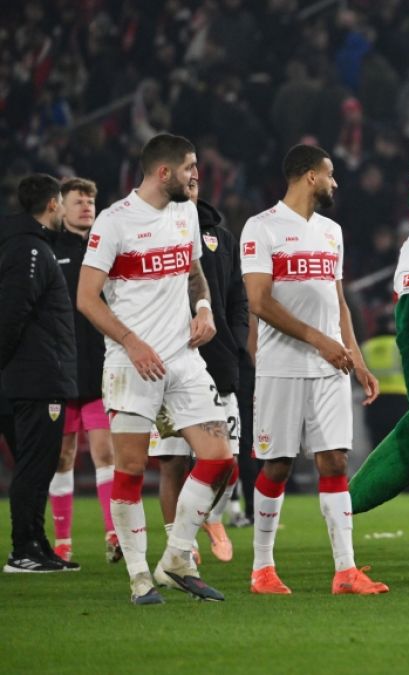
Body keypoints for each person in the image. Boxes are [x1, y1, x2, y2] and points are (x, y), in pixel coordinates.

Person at [77, 134, 232, 604]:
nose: (196, 175)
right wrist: (130, 341)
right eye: (189, 167)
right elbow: (86, 297)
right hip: (131, 363)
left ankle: (177, 558)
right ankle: (140, 576)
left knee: (219, 458)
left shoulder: (186, 211)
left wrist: (203, 306)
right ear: (163, 172)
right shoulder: (115, 221)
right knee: (130, 468)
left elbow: (192, 269)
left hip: (183, 357)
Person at [240, 144, 386, 596]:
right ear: (309, 177)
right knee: (278, 464)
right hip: (282, 365)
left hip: (331, 367)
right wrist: (319, 340)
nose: (335, 182)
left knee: (334, 459)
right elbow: (259, 302)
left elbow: (338, 301)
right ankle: (262, 569)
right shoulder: (261, 228)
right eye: (330, 174)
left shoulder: (331, 232)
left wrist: (355, 358)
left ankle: (346, 570)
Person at [150, 181, 248, 564]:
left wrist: (236, 339)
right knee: (173, 460)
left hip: (219, 360)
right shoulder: (150, 234)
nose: (189, 186)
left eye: (194, 180)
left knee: (228, 462)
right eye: (182, 178)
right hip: (170, 363)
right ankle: (181, 545)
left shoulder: (220, 236)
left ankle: (209, 516)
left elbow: (238, 295)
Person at [0, 174, 80, 573]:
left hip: (38, 375)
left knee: (41, 464)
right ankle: (23, 550)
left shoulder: (31, 246)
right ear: (52, 205)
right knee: (34, 465)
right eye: (63, 203)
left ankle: (37, 543)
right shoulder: (30, 249)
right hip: (34, 378)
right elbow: (14, 312)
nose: (66, 210)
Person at [46, 177, 121, 564]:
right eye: (78, 201)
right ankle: (63, 542)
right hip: (60, 370)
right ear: (61, 206)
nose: (86, 207)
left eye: (91, 200)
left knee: (106, 451)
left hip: (99, 369)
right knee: (62, 455)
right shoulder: (49, 250)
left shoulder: (106, 248)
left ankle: (113, 534)